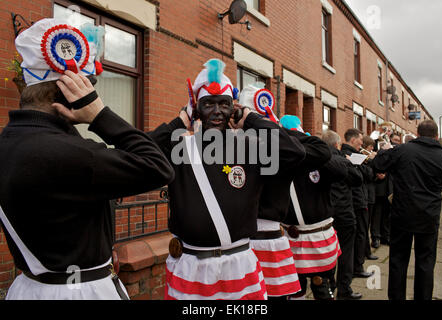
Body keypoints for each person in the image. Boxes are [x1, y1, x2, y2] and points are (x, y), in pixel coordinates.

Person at [0, 18, 174, 300]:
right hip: (80, 292)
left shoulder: (11, 142)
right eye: (88, 86)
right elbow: (158, 167)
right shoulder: (68, 152)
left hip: (30, 287)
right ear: (71, 90)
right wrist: (99, 114)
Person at [148, 59, 306, 300]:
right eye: (208, 104)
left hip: (239, 264)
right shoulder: (179, 147)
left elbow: (295, 151)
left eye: (224, 104)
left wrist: (251, 119)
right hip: (193, 268)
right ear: (196, 108)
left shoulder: (249, 147)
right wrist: (178, 122)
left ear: (233, 108)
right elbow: (137, 153)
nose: (217, 111)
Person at [372, 120, 442, 300]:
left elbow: (378, 164)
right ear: (436, 136)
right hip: (428, 216)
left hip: (402, 214)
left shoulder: (402, 150)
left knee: (398, 260)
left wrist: (385, 150)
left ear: (417, 133)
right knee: (426, 262)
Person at [239, 89, 303, 300]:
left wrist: (253, 120)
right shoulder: (232, 144)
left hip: (268, 238)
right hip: (238, 242)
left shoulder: (282, 147)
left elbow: (298, 150)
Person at [280, 117, 344, 300]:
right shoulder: (279, 160)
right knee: (295, 289)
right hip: (291, 237)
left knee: (322, 287)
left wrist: (309, 148)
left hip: (319, 237)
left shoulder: (316, 159)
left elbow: (342, 172)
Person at [323, 130, 364, 300]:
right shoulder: (341, 160)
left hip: (326, 213)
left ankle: (329, 286)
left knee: (328, 252)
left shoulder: (318, 160)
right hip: (344, 212)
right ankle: (344, 289)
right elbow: (358, 179)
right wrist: (350, 164)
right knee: (346, 252)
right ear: (336, 144)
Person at [341, 129, 374, 278]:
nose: (362, 143)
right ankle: (357, 267)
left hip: (355, 199)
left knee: (359, 234)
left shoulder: (351, 154)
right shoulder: (352, 155)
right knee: (360, 234)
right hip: (357, 200)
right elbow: (367, 175)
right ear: (353, 140)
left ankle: (356, 265)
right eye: (360, 140)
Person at [361, 136, 379, 261]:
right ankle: (366, 252)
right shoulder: (364, 158)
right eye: (371, 146)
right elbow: (369, 174)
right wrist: (372, 161)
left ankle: (366, 251)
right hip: (366, 195)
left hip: (370, 194)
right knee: (364, 226)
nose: (372, 148)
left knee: (367, 224)